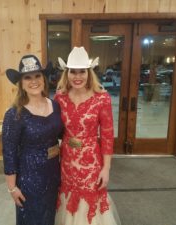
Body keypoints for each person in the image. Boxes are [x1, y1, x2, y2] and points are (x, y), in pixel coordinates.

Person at [54, 47, 121, 225]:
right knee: (68, 200)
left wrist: (106, 168)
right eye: (73, 72)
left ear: (89, 72)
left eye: (82, 71)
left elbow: (107, 135)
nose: (77, 77)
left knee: (89, 203)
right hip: (67, 160)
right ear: (66, 73)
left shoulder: (102, 98)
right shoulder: (60, 97)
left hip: (91, 162)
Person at [2, 55, 63, 225]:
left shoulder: (55, 105)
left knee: (49, 218)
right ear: (21, 83)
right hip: (30, 178)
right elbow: (9, 154)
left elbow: (62, 134)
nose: (33, 81)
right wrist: (12, 188)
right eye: (27, 77)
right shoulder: (15, 114)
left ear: (44, 79)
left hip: (53, 174)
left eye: (37, 76)